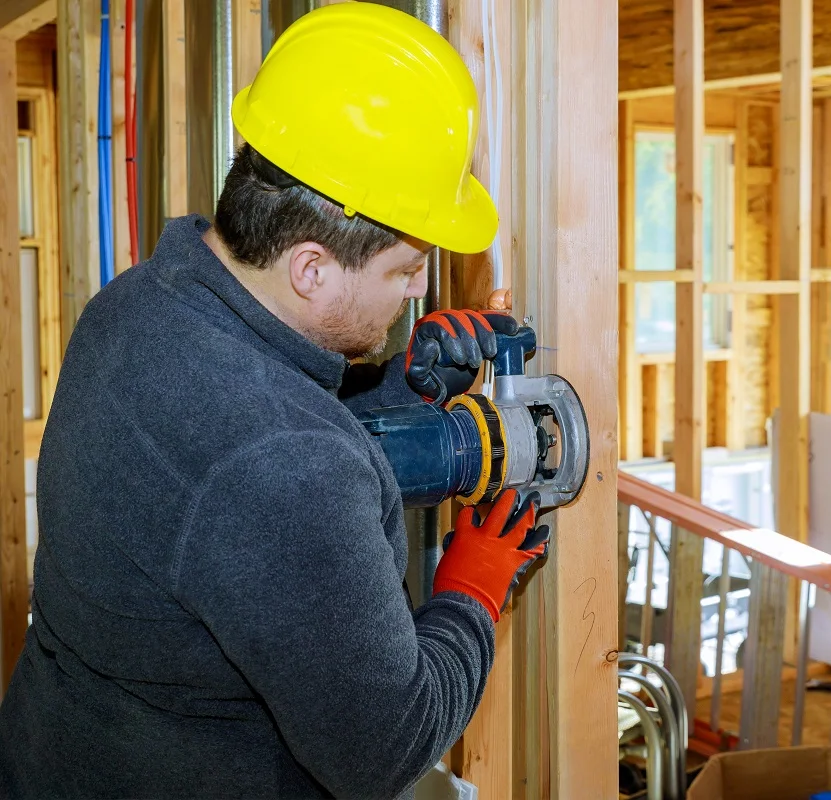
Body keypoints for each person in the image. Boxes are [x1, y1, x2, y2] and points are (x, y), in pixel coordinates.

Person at [0, 5, 545, 798]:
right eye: (404, 269)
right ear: (311, 269)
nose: (420, 289)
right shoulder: (285, 466)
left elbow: (246, 434)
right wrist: (470, 591)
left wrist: (398, 385)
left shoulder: (134, 307)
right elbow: (382, 752)